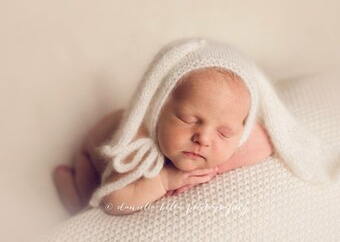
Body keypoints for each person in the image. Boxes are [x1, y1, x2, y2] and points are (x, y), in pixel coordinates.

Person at [54, 38, 337, 215]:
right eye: (188, 120)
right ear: (159, 109)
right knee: (83, 204)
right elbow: (114, 203)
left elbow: (263, 141)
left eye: (224, 132)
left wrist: (217, 165)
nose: (203, 138)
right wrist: (163, 180)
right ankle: (65, 178)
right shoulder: (136, 146)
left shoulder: (235, 137)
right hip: (94, 156)